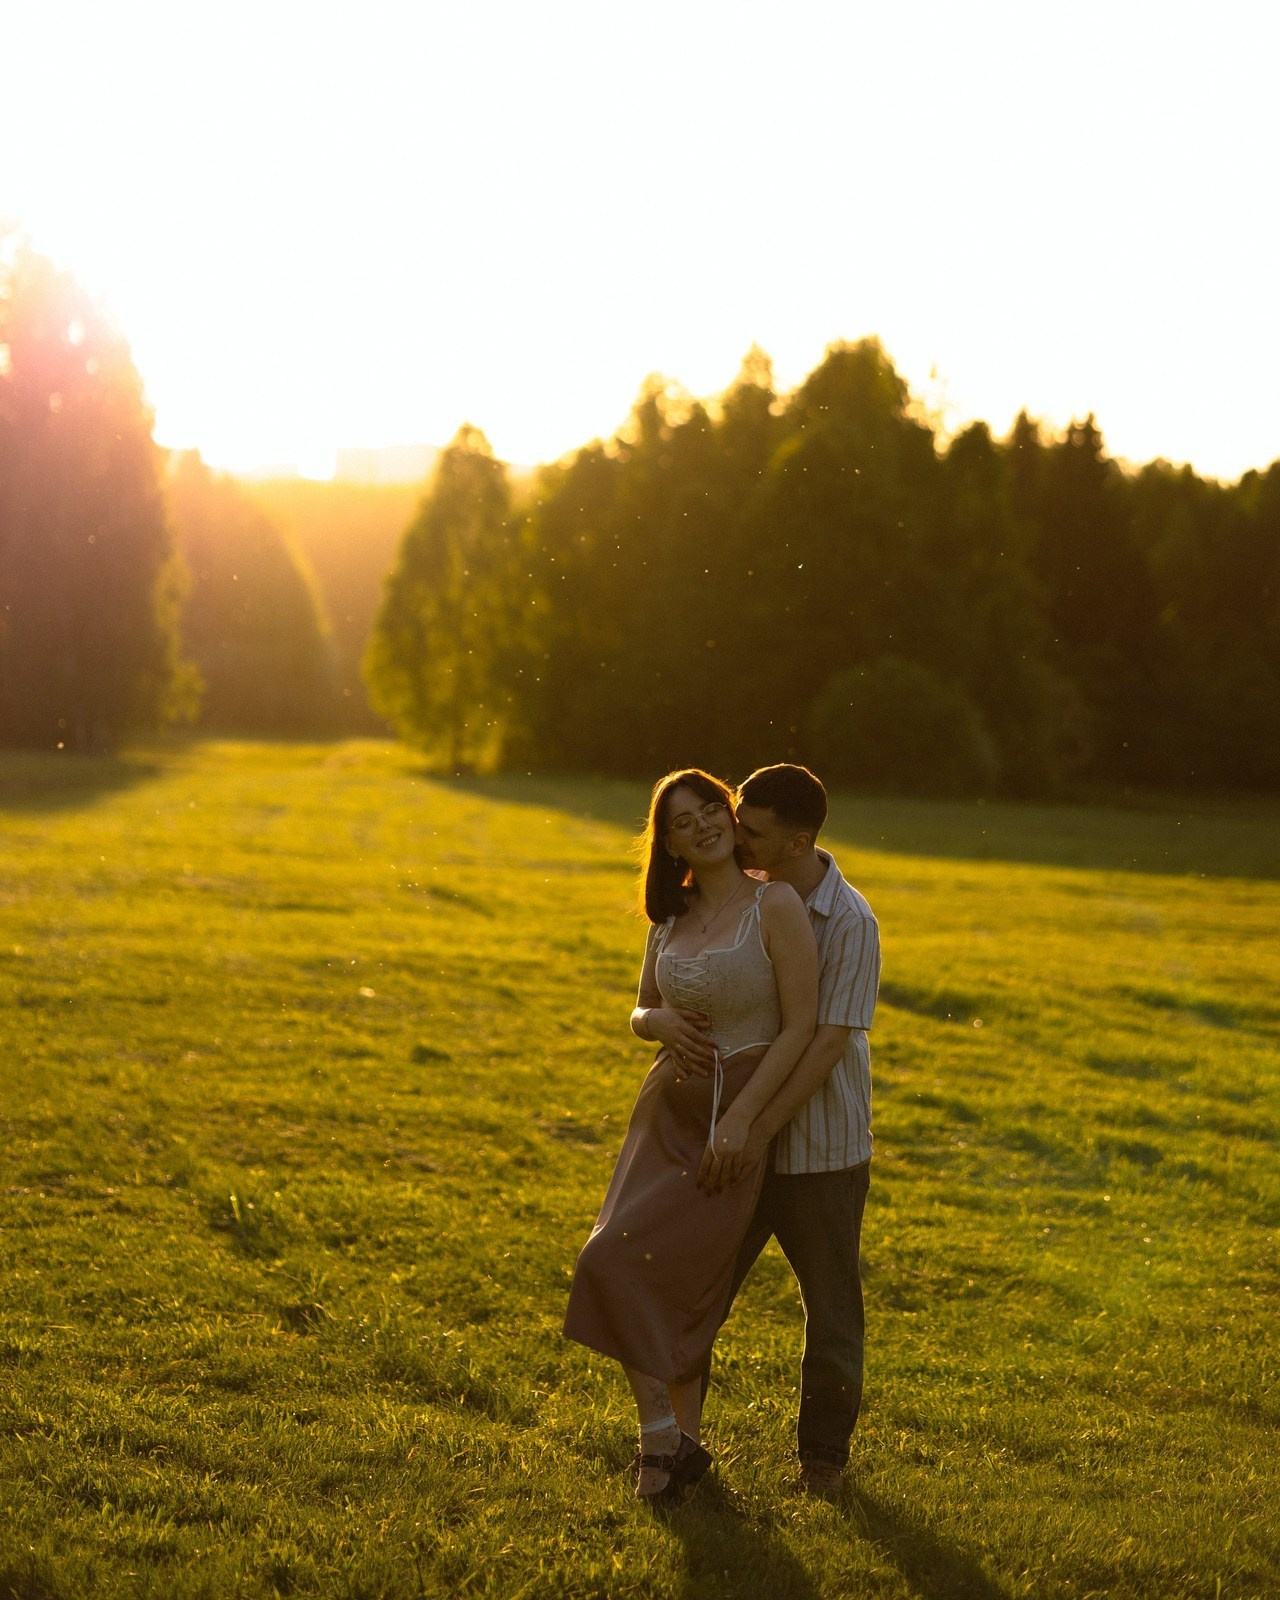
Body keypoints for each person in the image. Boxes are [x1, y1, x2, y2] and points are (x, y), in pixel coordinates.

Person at [563, 768, 818, 1505]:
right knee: (608, 1259)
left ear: (729, 815)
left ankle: (663, 1451)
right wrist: (659, 1023)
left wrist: (745, 1121)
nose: (702, 824)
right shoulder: (669, 922)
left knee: (670, 1279)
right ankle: (665, 1441)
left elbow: (801, 1025)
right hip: (663, 1118)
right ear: (667, 843)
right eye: (682, 820)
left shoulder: (774, 905)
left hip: (732, 1121)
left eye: (711, 807)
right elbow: (641, 1009)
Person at [686, 763, 880, 1496]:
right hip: (736, 1137)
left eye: (753, 831)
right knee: (696, 1295)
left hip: (820, 1149)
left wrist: (759, 1129)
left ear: (798, 841)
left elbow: (827, 1042)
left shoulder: (850, 921)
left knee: (831, 1312)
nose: (735, 836)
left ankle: (822, 1465)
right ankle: (675, 1448)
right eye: (737, 819)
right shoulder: (743, 899)